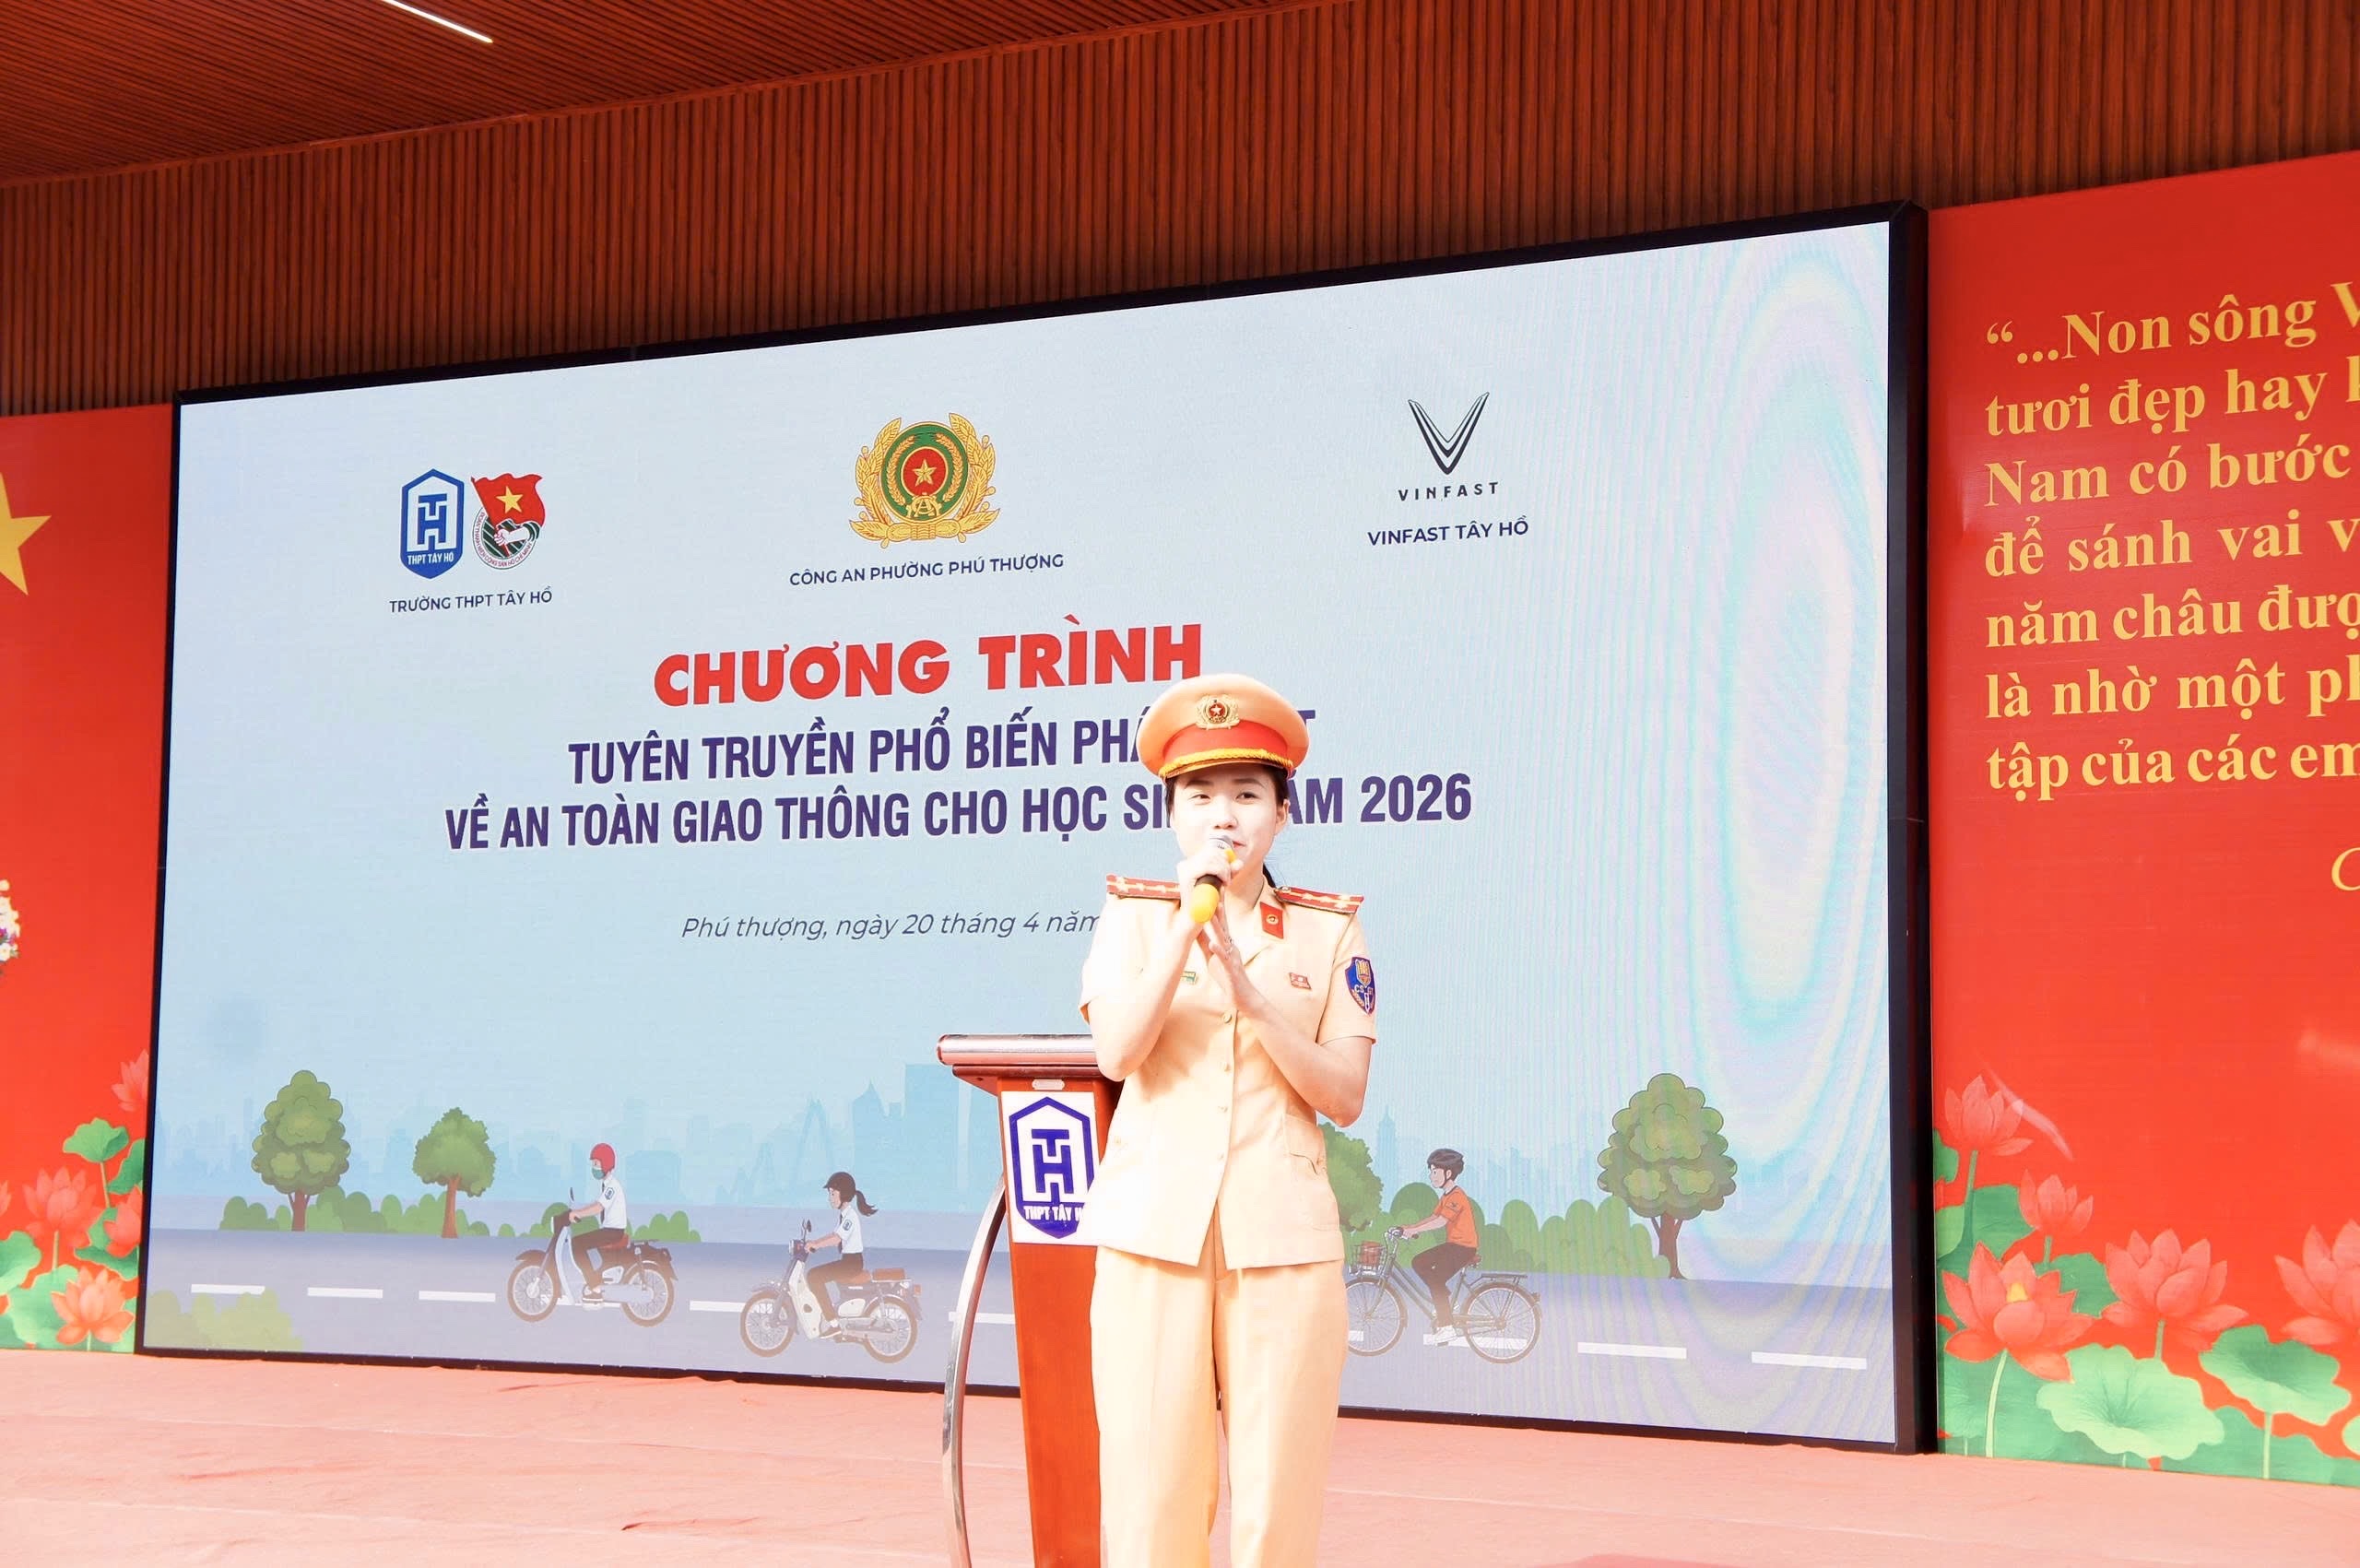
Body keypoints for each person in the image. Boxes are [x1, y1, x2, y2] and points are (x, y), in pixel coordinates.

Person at [1077, 672, 1378, 1568]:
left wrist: (1252, 996)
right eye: (1200, 795)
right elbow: (1116, 1054)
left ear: (1282, 813)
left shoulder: (1329, 933)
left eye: (1247, 795)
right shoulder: (1133, 918)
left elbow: (1344, 1093)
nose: (1224, 816)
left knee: (1276, 1496)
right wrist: (1185, 927)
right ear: (1172, 815)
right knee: (1150, 1494)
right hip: (1150, 1236)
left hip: (1280, 1242)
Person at [1389, 1148, 1480, 1344]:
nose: (1431, 1176)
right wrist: (1409, 1228)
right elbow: (1434, 1217)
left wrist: (1414, 1231)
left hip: (1464, 1247)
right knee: (1419, 1262)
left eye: (1435, 1172)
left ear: (1448, 1173)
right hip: (1454, 1245)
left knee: (1436, 1279)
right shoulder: (1446, 1196)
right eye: (1431, 1171)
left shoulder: (1457, 1196)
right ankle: (1444, 1303)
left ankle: (1447, 1327)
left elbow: (1441, 1222)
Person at [804, 1171, 877, 1334]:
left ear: (843, 1194)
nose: (830, 1198)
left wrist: (815, 1244)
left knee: (814, 1276)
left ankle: (833, 1323)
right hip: (849, 1261)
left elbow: (836, 1238)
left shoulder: (850, 1217)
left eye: (833, 1193)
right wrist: (814, 1243)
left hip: (851, 1263)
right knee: (816, 1275)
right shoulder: (845, 1215)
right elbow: (834, 1234)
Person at [565, 1143, 628, 1302]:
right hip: (610, 1230)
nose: (594, 1168)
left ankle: (594, 1287)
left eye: (596, 1164)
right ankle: (596, 1279)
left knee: (577, 1244)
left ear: (606, 1164)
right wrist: (577, 1210)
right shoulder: (607, 1185)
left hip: (613, 1232)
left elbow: (599, 1207)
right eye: (593, 1164)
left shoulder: (612, 1187)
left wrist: (578, 1214)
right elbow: (596, 1204)